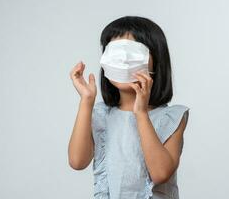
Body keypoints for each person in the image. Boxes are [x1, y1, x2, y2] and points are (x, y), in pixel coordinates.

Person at [68, 16, 190, 199]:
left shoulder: (171, 117)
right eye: (115, 52)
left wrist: (140, 113)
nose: (123, 59)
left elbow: (160, 173)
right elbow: (77, 161)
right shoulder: (101, 114)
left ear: (155, 60)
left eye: (132, 52)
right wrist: (86, 101)